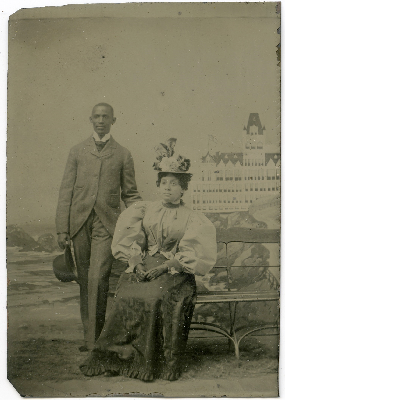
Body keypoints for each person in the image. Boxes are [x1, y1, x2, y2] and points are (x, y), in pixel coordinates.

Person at [80, 143, 217, 381]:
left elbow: (190, 253)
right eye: (164, 183)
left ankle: (153, 361)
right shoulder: (146, 210)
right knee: (126, 293)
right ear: (158, 185)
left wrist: (164, 267)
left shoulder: (192, 217)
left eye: (174, 184)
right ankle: (121, 356)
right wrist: (137, 262)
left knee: (154, 296)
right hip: (146, 263)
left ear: (183, 188)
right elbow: (136, 242)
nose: (168, 188)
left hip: (176, 271)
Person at [55, 103, 142, 352]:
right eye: (97, 116)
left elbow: (132, 194)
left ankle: (95, 343)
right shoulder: (77, 151)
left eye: (106, 116)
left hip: (107, 223)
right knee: (85, 280)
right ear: (90, 119)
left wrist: (141, 222)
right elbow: (65, 192)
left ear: (114, 120)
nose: (101, 120)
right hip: (78, 223)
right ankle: (90, 337)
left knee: (97, 277)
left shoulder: (123, 154)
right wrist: (62, 229)